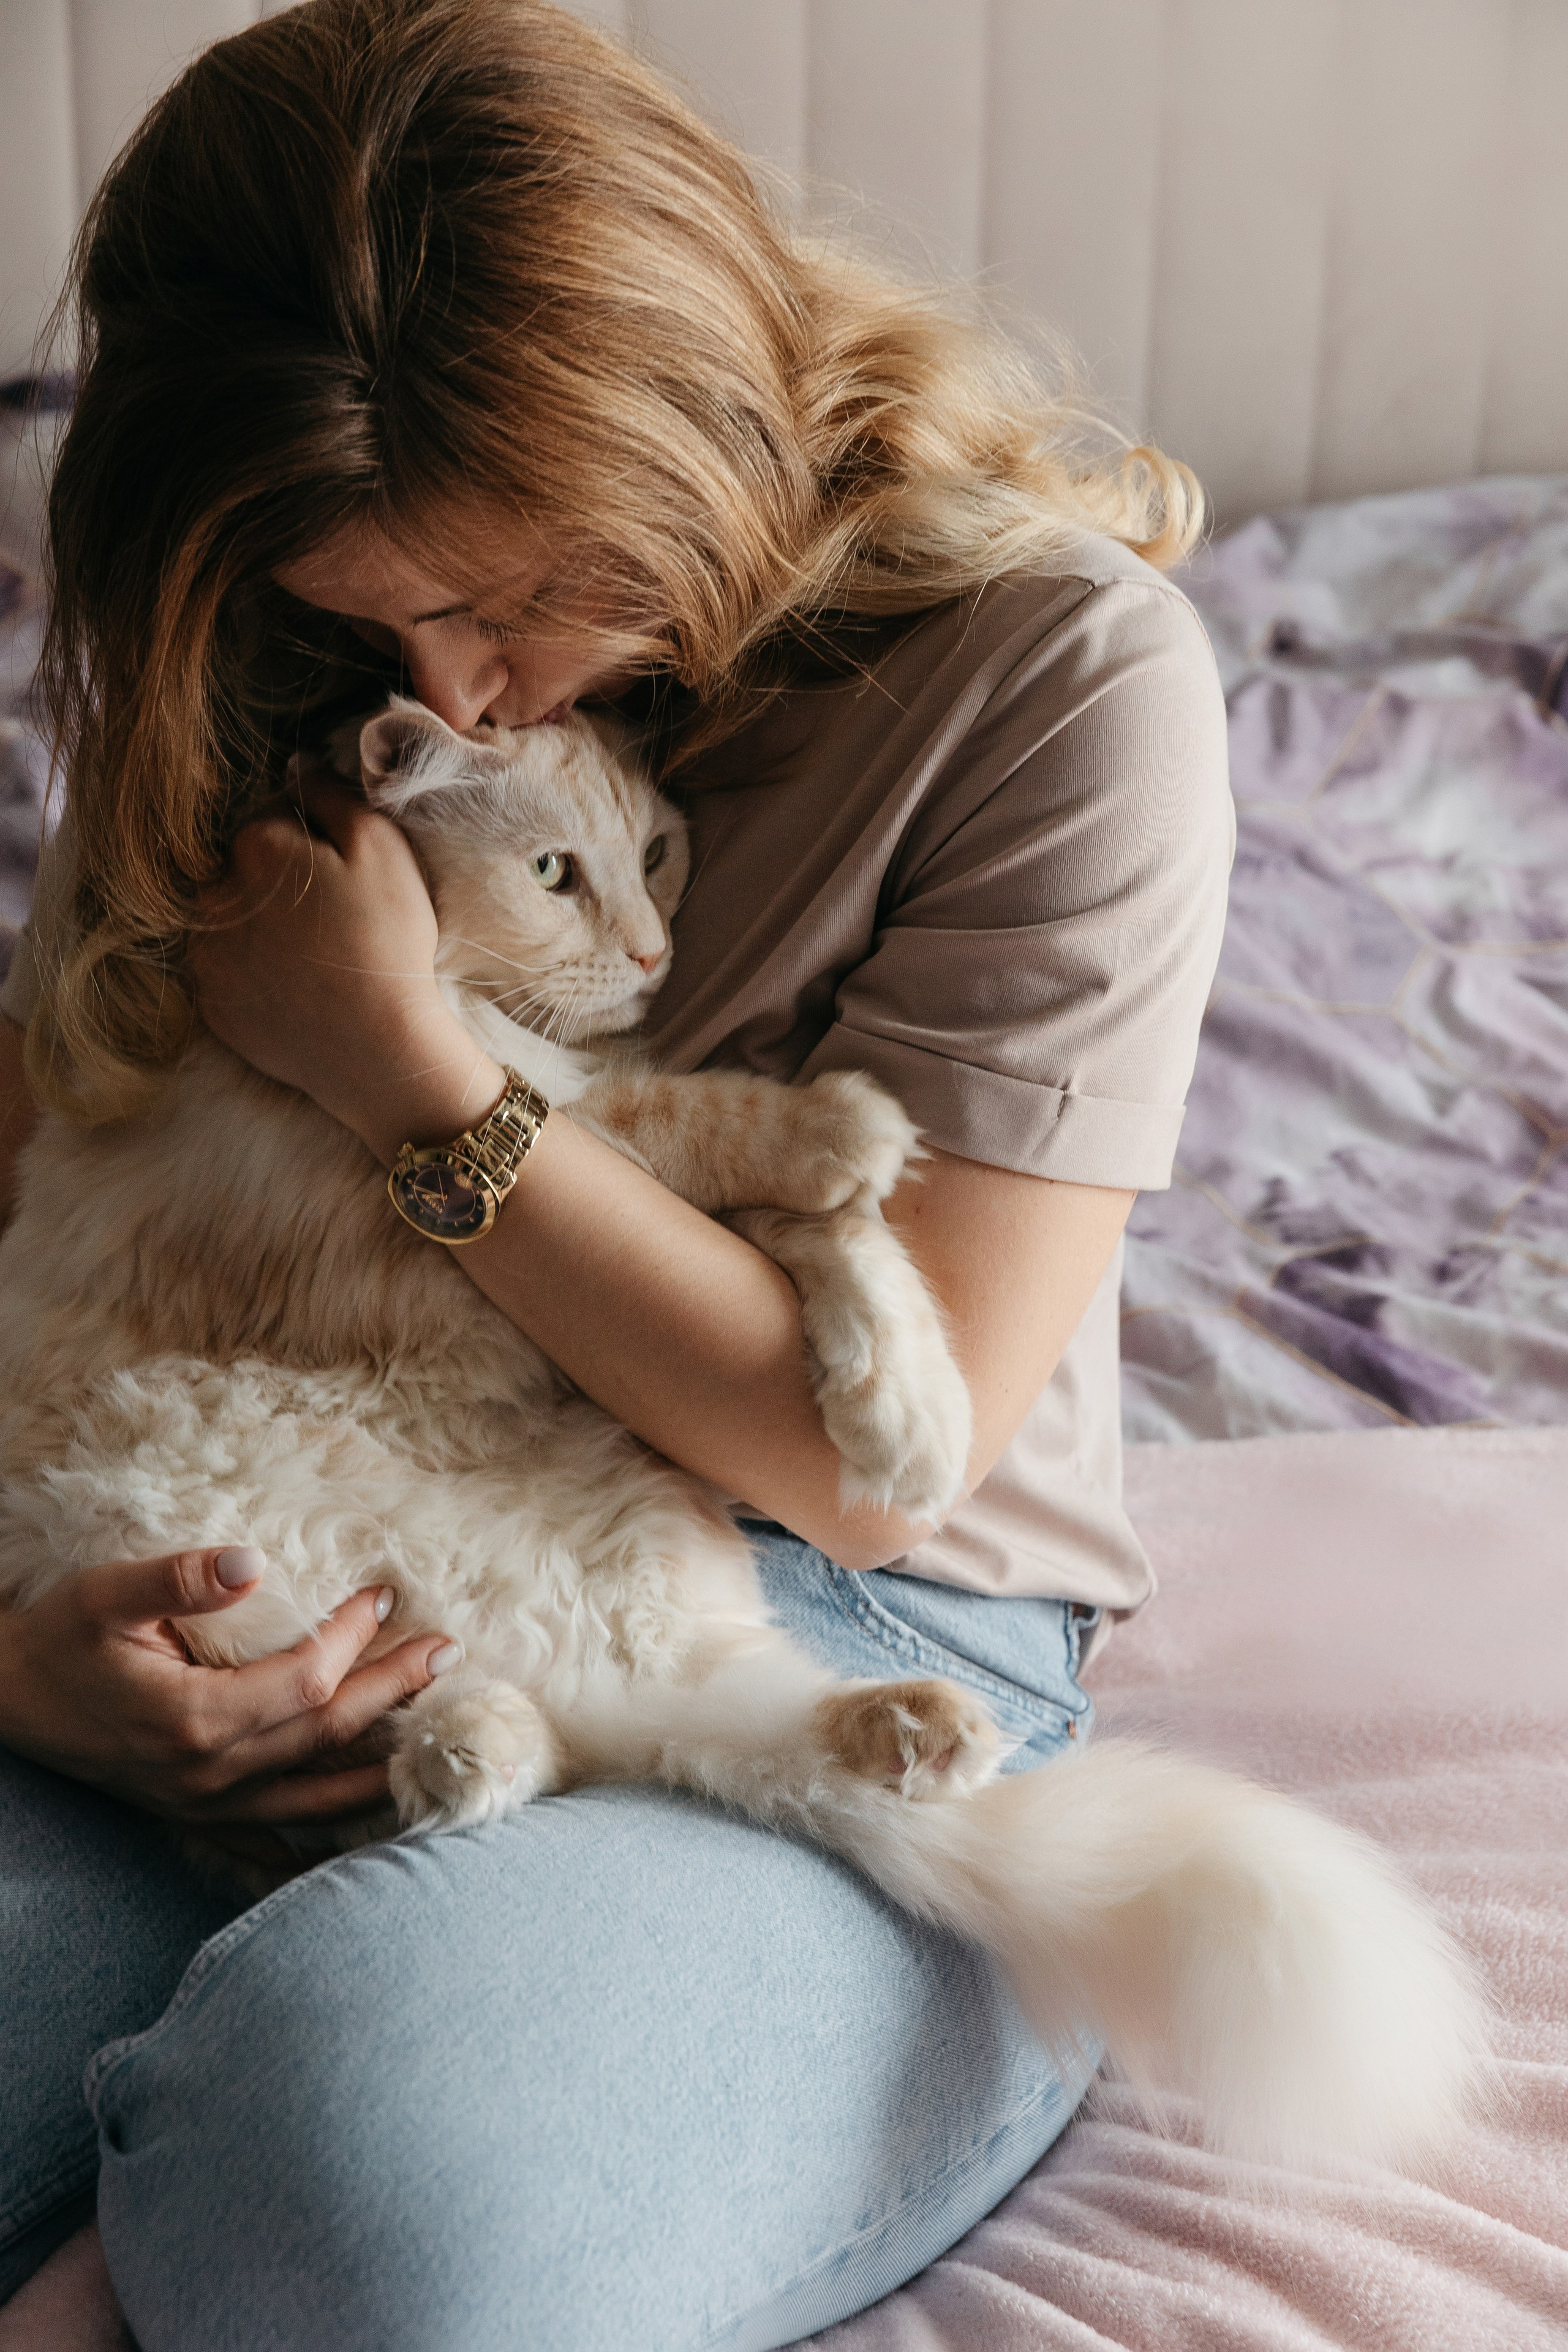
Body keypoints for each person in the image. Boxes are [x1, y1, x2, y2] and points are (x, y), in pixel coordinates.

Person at [0, 2, 1231, 2344]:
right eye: (383, 621)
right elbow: (52, 1186)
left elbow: (874, 1459)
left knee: (353, 2180)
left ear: (679, 426)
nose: (462, 697)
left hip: (816, 1609)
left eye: (522, 589)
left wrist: (392, 1062)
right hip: (287, 1486)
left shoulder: (1062, 679)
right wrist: (23, 1666)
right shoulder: (263, 654)